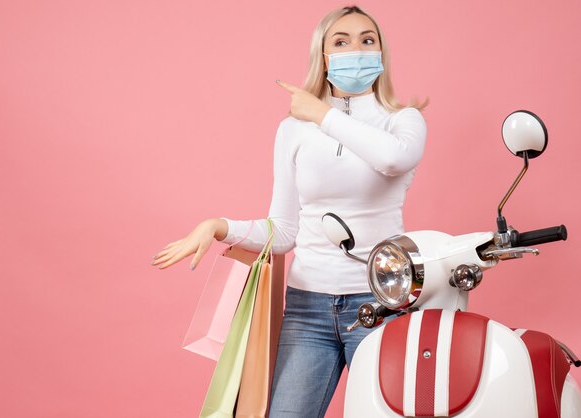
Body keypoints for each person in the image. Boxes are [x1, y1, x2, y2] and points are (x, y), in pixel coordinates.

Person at [152, 5, 427, 417]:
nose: (357, 48)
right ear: (323, 55)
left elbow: (392, 160)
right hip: (308, 308)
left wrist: (323, 114)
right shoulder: (294, 130)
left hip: (382, 303)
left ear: (382, 54)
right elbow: (283, 232)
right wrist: (218, 226)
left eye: (368, 40)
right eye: (342, 41)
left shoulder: (402, 121)